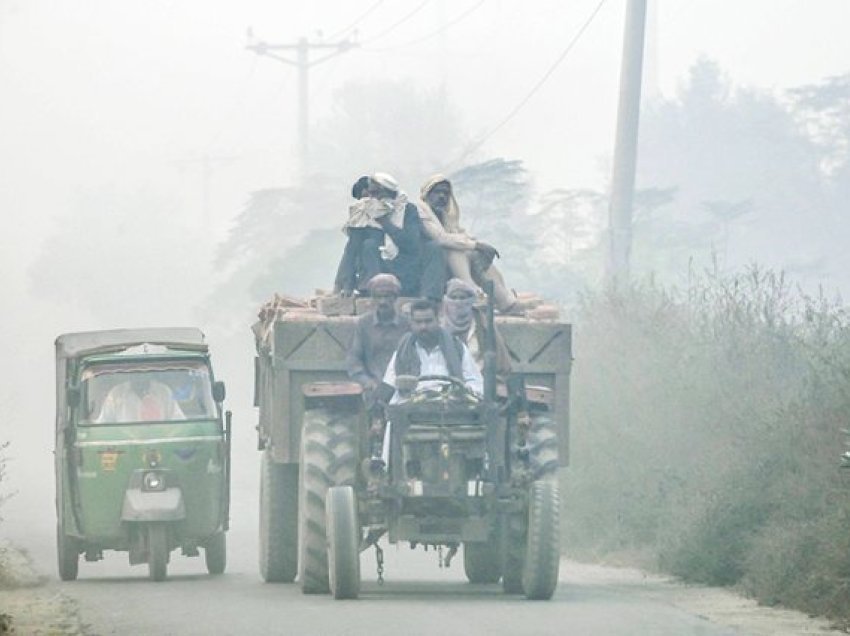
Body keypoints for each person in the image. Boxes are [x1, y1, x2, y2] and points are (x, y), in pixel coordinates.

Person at [418, 174, 522, 314]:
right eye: (437, 192)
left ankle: (504, 300)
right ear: (427, 194)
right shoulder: (420, 210)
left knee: (476, 254)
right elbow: (441, 238)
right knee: (455, 248)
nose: (442, 196)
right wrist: (475, 245)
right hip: (426, 265)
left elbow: (460, 234)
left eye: (446, 193)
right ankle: (471, 292)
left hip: (448, 267)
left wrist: (478, 246)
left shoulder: (445, 215)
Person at [383, 298, 483, 401]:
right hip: (411, 408)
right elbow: (390, 382)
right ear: (411, 323)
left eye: (428, 321)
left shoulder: (457, 347)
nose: (423, 327)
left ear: (438, 320)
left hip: (449, 407)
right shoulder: (403, 349)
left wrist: (461, 395)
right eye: (418, 322)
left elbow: (475, 382)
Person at [346, 273, 410, 409]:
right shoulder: (363, 324)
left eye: (387, 296)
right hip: (371, 391)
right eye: (378, 296)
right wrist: (367, 382)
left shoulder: (407, 325)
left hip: (402, 391)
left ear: (395, 298)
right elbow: (354, 360)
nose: (382, 301)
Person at [441, 278, 511, 381]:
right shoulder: (440, 327)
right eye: (454, 298)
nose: (458, 302)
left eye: (462, 298)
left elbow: (502, 363)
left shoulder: (482, 324)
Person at [333, 176, 386, 296]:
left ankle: (342, 284)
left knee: (353, 248)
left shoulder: (377, 204)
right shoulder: (362, 207)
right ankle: (346, 284)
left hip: (382, 242)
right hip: (370, 242)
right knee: (354, 248)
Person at [97, 375, 186, 423]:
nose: (139, 375)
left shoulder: (164, 391)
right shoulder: (116, 393)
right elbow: (102, 425)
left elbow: (179, 423)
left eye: (143, 371)